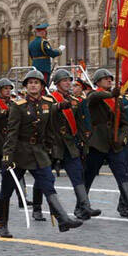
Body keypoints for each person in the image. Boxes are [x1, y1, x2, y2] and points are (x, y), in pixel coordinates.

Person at [0, 69, 82, 238]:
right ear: (26, 86)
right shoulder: (18, 105)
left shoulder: (47, 102)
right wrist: (7, 156)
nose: (33, 85)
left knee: (48, 184)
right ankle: (2, 225)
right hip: (19, 153)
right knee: (6, 190)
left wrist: (49, 149)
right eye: (30, 83)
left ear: (42, 86)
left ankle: (63, 219)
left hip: (38, 152)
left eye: (36, 83)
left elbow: (50, 128)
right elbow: (12, 133)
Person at [85, 68, 128, 218]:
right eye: (105, 78)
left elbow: (124, 123)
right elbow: (94, 97)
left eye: (110, 78)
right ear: (97, 82)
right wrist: (112, 94)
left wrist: (121, 138)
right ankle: (82, 206)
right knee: (88, 176)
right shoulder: (94, 95)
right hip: (98, 143)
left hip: (114, 144)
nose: (109, 80)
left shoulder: (117, 100)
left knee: (122, 175)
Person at [44, 68, 100, 220]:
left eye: (69, 80)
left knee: (77, 174)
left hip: (69, 143)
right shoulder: (49, 99)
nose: (68, 83)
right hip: (53, 143)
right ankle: (37, 207)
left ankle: (85, 206)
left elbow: (81, 122)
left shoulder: (75, 100)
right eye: (64, 81)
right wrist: (58, 107)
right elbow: (45, 114)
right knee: (44, 177)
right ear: (57, 83)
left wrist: (83, 140)